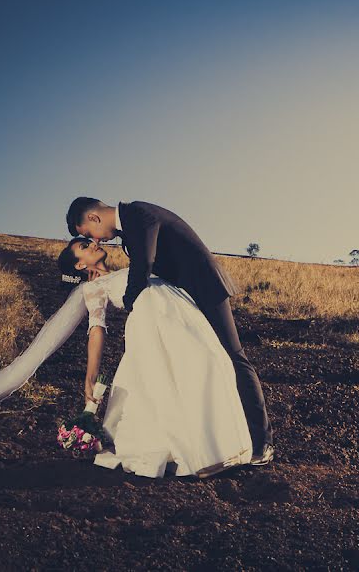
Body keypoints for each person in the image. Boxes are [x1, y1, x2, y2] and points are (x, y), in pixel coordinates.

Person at [65, 197, 274, 465]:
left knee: (234, 357)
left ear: (93, 217)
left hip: (205, 289)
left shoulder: (138, 214)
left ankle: (262, 443)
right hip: (185, 299)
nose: (97, 240)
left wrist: (131, 303)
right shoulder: (129, 226)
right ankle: (229, 440)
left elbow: (144, 264)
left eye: (88, 233)